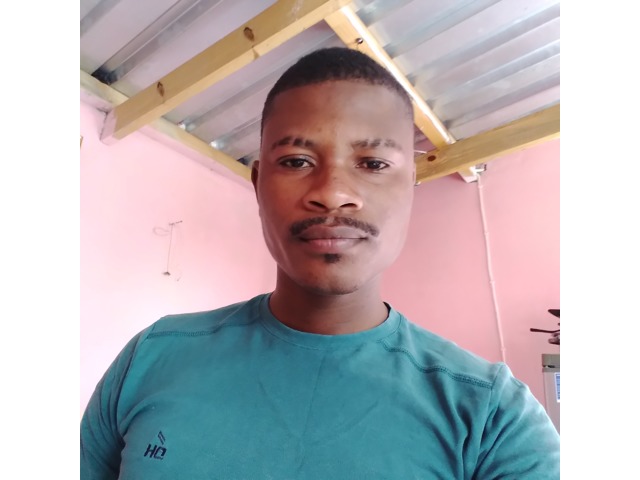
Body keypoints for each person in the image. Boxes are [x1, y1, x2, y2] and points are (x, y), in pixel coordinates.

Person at [81, 47, 560, 479]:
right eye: (296, 161)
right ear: (258, 184)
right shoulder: (151, 358)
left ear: (411, 183)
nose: (332, 193)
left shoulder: (493, 417)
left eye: (373, 163)